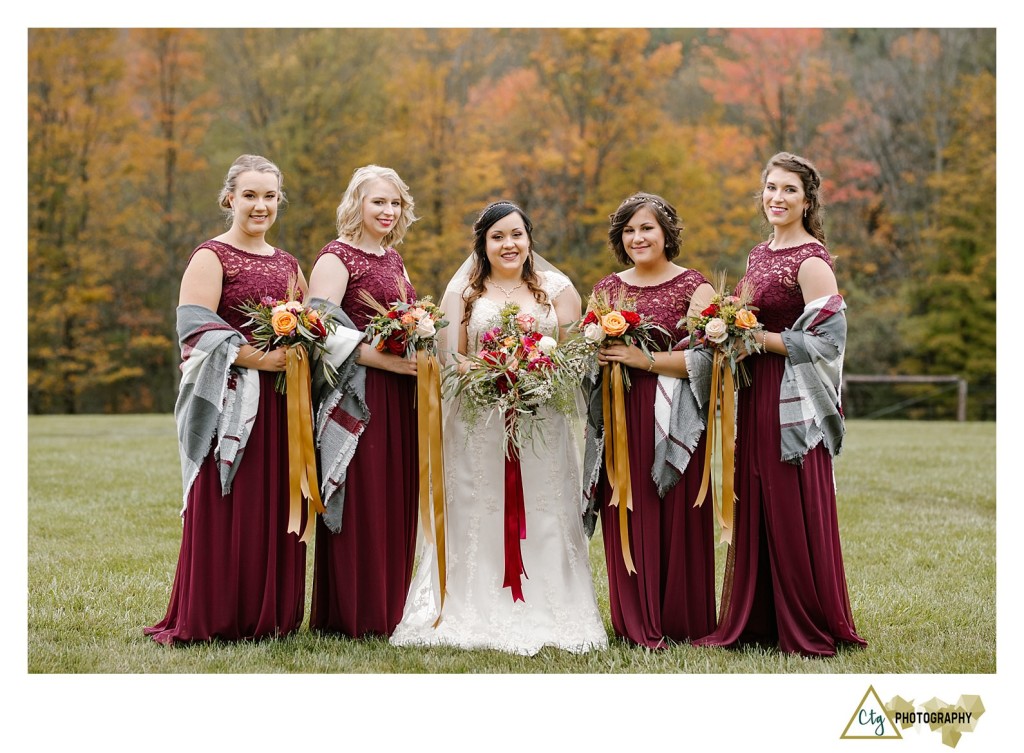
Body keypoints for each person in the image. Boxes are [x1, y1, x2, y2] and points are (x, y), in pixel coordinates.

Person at [390, 200, 608, 655]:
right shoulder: (466, 294)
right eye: (498, 237)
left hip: (541, 420)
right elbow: (454, 361)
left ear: (529, 239)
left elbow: (575, 359)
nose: (509, 244)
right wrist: (493, 377)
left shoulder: (558, 289)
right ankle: (473, 602)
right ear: (483, 244)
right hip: (480, 421)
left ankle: (554, 603)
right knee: (479, 506)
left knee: (546, 508)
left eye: (517, 234)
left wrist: (537, 378)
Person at [693, 152, 867, 657]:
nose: (777, 197)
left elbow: (828, 343)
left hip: (793, 396)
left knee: (789, 496)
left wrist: (757, 337)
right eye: (771, 187)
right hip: (754, 389)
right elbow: (745, 317)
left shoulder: (812, 261)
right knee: (759, 494)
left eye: (789, 189)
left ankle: (807, 620)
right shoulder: (758, 253)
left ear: (807, 200)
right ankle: (757, 617)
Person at [145, 154, 307, 645]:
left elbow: (307, 325)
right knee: (227, 500)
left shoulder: (288, 264)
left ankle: (269, 615)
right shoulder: (211, 256)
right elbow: (193, 328)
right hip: (229, 405)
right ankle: (215, 613)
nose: (261, 206)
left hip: (281, 408)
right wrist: (259, 360)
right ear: (230, 199)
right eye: (250, 195)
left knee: (274, 504)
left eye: (270, 196)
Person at [583, 192, 717, 649]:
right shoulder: (606, 290)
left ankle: (684, 619)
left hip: (677, 417)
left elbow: (709, 362)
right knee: (629, 510)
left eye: (647, 228)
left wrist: (643, 359)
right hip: (622, 416)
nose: (638, 238)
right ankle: (635, 621)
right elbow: (591, 355)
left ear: (666, 233)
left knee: (677, 513)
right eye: (629, 230)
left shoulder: (695, 288)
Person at [307, 165, 420, 638]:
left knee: (396, 498)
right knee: (362, 500)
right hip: (357, 394)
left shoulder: (394, 260)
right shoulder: (336, 258)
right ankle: (353, 613)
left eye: (395, 203)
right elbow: (320, 330)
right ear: (356, 203)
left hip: (401, 396)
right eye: (378, 202)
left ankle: (391, 609)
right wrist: (387, 362)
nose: (388, 212)